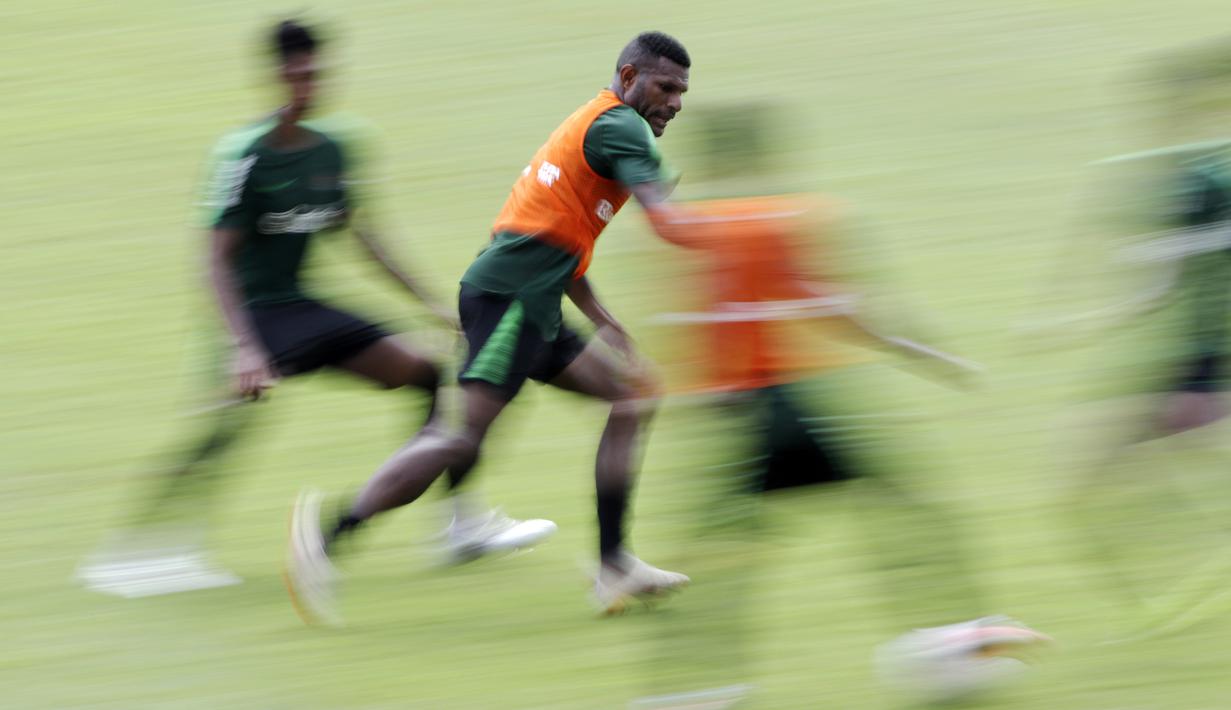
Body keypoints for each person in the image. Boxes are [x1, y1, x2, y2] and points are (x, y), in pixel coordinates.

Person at [78, 20, 553, 598]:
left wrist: (432, 305)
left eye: (317, 71)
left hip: (299, 306)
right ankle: (138, 551)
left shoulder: (332, 148)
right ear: (276, 75)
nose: (310, 83)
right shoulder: (244, 156)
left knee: (426, 372)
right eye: (298, 73)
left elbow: (364, 237)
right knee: (223, 428)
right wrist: (243, 348)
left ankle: (459, 524)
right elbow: (214, 261)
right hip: (250, 316)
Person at [286, 30, 700, 624]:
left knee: (633, 395)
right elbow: (664, 217)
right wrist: (736, 233)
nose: (676, 103)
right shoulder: (620, 127)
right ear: (629, 78)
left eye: (683, 92)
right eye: (666, 87)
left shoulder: (597, 124)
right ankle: (325, 540)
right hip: (511, 302)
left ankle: (614, 564)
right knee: (460, 436)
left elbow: (558, 243)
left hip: (526, 298)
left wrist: (608, 326)